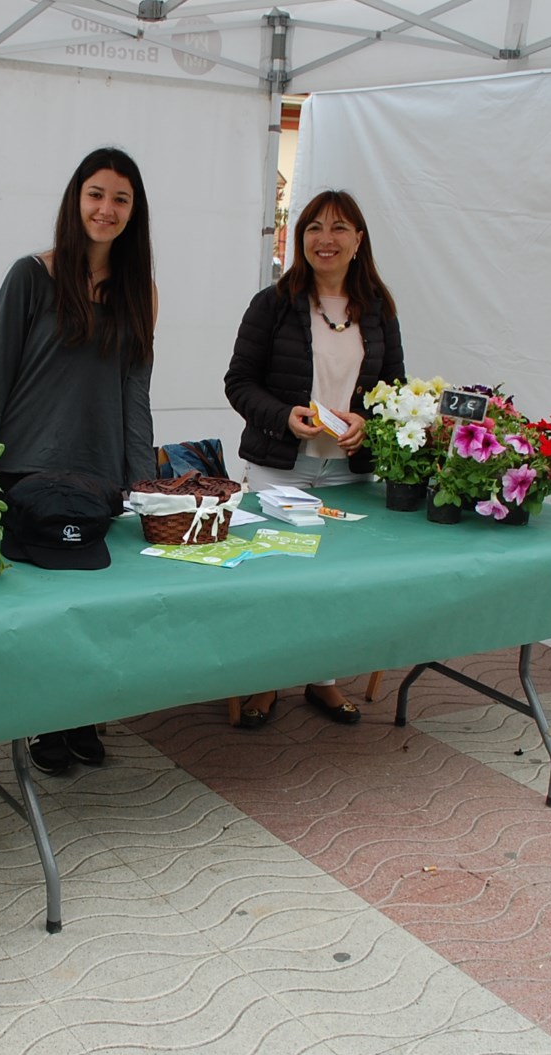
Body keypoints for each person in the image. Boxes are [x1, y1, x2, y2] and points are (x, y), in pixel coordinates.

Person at [0, 146, 157, 776]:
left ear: (135, 212)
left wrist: (142, 481)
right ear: (77, 200)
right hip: (24, 471)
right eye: (96, 194)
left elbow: (135, 390)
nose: (106, 208)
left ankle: (83, 715)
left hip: (97, 474)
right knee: (42, 609)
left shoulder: (140, 292)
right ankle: (42, 722)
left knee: (93, 607)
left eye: (121, 198)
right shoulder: (32, 275)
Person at [223, 189, 405, 729]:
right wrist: (283, 417)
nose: (325, 239)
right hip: (280, 468)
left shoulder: (379, 310)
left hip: (348, 474)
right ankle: (263, 682)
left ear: (358, 240)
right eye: (313, 228)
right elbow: (239, 383)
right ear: (300, 239)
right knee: (276, 579)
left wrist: (368, 423)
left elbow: (394, 389)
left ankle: (323, 679)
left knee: (338, 583)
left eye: (339, 228)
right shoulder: (272, 304)